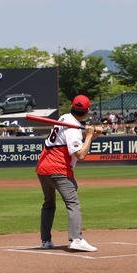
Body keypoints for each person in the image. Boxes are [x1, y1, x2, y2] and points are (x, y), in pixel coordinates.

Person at [35, 95, 103, 252]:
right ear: (86, 111)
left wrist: (92, 133)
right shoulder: (73, 127)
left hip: (43, 168)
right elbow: (80, 155)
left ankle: (45, 240)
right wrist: (91, 135)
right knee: (73, 204)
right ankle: (76, 239)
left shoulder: (65, 117)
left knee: (49, 204)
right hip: (58, 168)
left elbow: (80, 136)